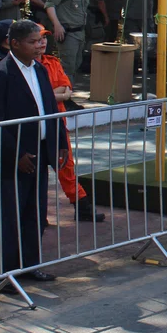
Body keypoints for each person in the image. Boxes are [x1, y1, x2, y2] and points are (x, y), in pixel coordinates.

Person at [0, 20, 68, 282]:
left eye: (40, 40)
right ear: (14, 44)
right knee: (8, 217)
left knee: (34, 214)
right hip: (13, 158)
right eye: (32, 41)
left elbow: (49, 108)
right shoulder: (0, 75)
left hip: (39, 151)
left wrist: (58, 141)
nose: (39, 45)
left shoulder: (39, 69)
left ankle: (29, 266)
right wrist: (15, 156)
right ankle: (3, 273)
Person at [33, 26, 105, 223]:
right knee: (34, 174)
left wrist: (46, 94)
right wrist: (52, 94)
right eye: (37, 39)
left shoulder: (52, 62)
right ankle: (37, 215)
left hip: (57, 124)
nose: (42, 42)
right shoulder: (24, 68)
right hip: (34, 127)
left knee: (67, 168)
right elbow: (39, 95)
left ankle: (82, 207)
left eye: (44, 38)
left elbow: (66, 91)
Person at [46, 0, 92, 82]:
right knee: (68, 65)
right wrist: (57, 25)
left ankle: (68, 93)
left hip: (80, 32)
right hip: (68, 32)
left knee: (76, 64)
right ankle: (64, 97)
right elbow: (50, 5)